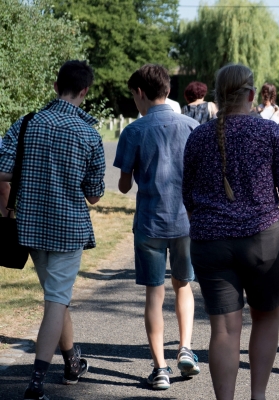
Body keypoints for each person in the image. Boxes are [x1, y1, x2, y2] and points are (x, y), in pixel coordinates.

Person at [182, 63, 279, 400]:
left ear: (218, 97)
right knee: (265, 319)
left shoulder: (198, 137)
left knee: (223, 329)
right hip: (264, 240)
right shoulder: (270, 133)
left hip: (210, 242)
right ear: (251, 95)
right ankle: (259, 396)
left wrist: (206, 228)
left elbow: (188, 196)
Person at [0, 60, 105, 400]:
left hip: (29, 227)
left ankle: (73, 362)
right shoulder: (89, 134)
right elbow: (93, 195)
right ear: (85, 92)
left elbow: (2, 171)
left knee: (55, 300)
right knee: (57, 300)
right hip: (67, 229)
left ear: (55, 86)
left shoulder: (28, 123)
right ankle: (36, 383)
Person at [113, 64, 200, 390]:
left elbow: (122, 186)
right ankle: (186, 348)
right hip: (184, 220)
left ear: (139, 92)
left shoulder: (134, 131)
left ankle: (160, 368)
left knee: (154, 293)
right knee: (184, 285)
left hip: (149, 222)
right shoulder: (191, 125)